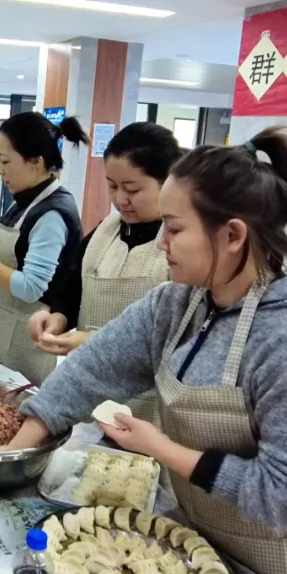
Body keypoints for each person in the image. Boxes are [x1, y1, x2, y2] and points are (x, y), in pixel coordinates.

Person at [1, 127, 287, 574]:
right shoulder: (178, 304)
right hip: (213, 541)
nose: (161, 243)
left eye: (175, 230)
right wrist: (11, 449)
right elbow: (92, 369)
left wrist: (161, 448)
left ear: (233, 235)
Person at [27, 122, 181, 425]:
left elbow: (173, 334)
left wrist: (92, 341)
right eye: (112, 186)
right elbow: (74, 287)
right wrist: (57, 317)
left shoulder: (177, 245)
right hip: (91, 393)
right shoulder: (105, 230)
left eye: (133, 189)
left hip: (149, 406)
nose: (121, 199)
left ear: (168, 183)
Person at [0, 112, 88, 385]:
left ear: (36, 161)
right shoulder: (25, 200)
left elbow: (30, 288)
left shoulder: (52, 214)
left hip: (24, 345)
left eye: (5, 161)